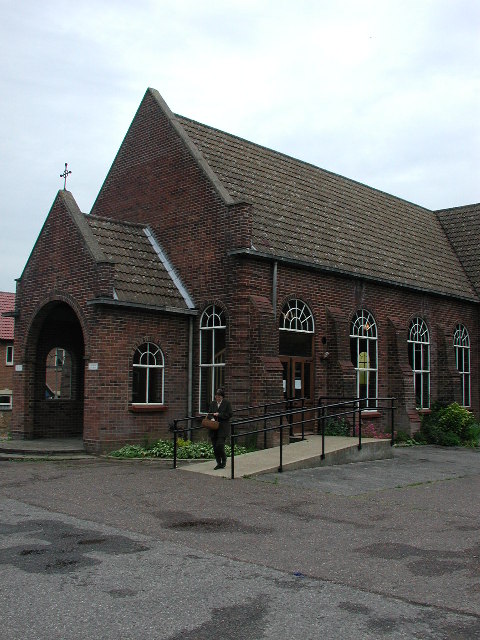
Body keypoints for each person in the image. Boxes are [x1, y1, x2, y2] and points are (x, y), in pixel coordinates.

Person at [208, 388, 233, 469]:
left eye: (219, 397)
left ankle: (224, 459)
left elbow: (229, 414)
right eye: (216, 396)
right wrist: (211, 418)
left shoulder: (227, 403)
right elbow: (209, 414)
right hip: (213, 428)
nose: (217, 398)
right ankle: (219, 463)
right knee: (215, 446)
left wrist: (219, 415)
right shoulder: (212, 403)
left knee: (220, 445)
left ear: (222, 397)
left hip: (223, 428)